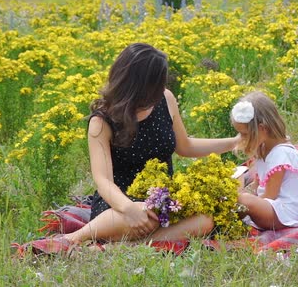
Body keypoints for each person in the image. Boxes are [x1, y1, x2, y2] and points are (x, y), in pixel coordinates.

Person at [61, 43, 239, 245]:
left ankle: (136, 244)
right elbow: (103, 181)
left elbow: (185, 146)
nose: (160, 91)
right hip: (119, 204)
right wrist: (129, 209)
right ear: (137, 86)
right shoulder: (102, 122)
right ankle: (73, 239)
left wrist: (234, 143)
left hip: (163, 200)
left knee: (205, 220)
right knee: (134, 217)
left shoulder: (166, 98)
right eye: (155, 86)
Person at [231, 91, 298, 230]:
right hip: (269, 208)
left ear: (262, 128)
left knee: (243, 200)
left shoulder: (281, 154)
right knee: (236, 191)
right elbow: (256, 185)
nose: (241, 138)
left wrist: (244, 201)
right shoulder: (264, 149)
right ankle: (227, 215)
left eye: (244, 134)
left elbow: (270, 195)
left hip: (282, 214)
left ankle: (229, 217)